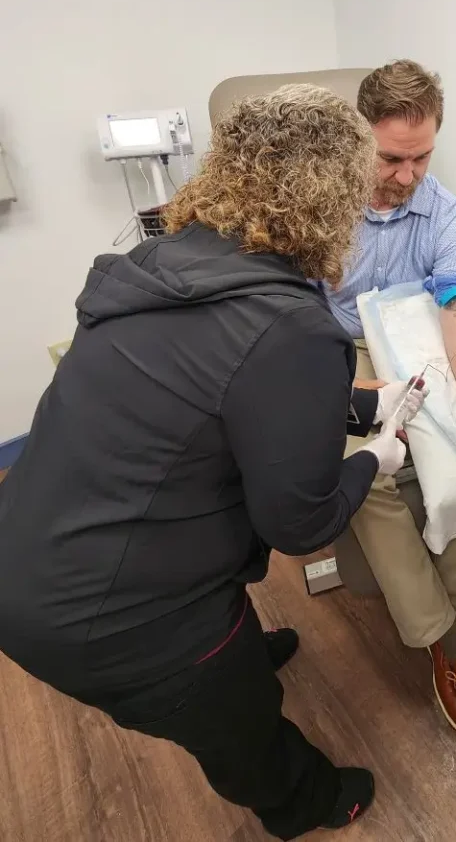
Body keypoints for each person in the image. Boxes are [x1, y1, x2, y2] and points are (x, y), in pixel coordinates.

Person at [0, 85, 428, 841]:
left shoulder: (158, 263)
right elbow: (301, 524)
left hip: (30, 544)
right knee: (240, 728)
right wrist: (379, 458)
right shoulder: (290, 327)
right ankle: (305, 803)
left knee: (228, 660)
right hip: (111, 620)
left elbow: (224, 394)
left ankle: (238, 657)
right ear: (334, 202)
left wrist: (359, 404)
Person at [322, 60, 456, 775]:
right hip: (344, 354)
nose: (407, 176)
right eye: (392, 158)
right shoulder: (323, 207)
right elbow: (301, 327)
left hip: (428, 342)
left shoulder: (445, 209)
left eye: (422, 156)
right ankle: (445, 641)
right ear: (359, 138)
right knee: (363, 468)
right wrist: (372, 396)